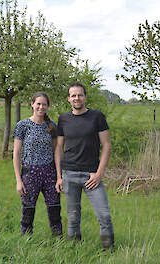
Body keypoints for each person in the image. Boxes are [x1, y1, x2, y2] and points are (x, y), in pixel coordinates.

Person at [54, 83, 114, 249]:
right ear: (68, 99)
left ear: (85, 97)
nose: (76, 98)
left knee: (104, 216)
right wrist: (59, 177)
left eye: (79, 95)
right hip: (69, 174)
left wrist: (99, 174)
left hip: (91, 176)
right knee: (73, 218)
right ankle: (74, 251)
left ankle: (108, 252)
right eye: (73, 95)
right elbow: (59, 148)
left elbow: (107, 145)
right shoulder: (63, 119)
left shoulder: (97, 117)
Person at [12, 92, 62, 236]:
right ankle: (26, 241)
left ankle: (58, 240)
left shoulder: (52, 126)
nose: (41, 107)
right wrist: (18, 180)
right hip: (30, 173)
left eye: (44, 104)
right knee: (28, 210)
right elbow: (16, 154)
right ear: (32, 104)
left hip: (49, 173)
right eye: (38, 104)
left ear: (47, 106)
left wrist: (59, 176)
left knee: (55, 210)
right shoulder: (23, 125)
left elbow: (57, 152)